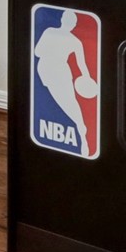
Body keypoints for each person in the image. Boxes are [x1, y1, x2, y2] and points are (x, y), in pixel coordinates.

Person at [33, 9, 96, 153]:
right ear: (73, 25)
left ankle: (81, 129)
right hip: (60, 71)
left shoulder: (49, 32)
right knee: (69, 102)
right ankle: (81, 129)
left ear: (62, 20)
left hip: (46, 69)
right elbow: (82, 65)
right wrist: (87, 78)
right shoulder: (75, 41)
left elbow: (37, 52)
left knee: (66, 102)